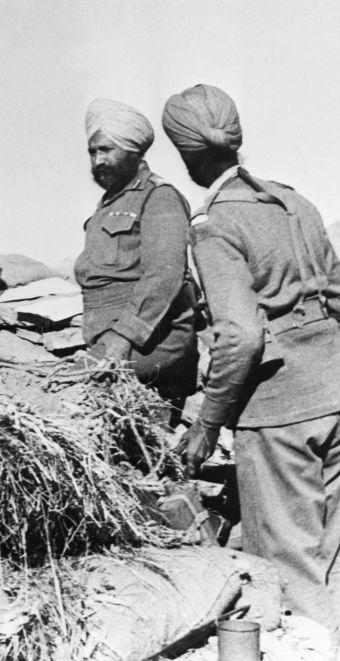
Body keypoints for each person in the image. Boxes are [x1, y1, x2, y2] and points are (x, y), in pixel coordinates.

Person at [166, 84, 340, 635]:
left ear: (187, 153)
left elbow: (240, 337)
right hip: (334, 391)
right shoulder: (296, 202)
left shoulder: (215, 223)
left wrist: (206, 422)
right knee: (332, 556)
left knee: (291, 577)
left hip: (279, 412)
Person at [74, 98, 198, 401]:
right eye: (93, 152)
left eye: (106, 150)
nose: (97, 161)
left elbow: (163, 276)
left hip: (152, 340)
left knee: (75, 391)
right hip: (109, 335)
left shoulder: (159, 197)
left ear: (134, 151)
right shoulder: (110, 203)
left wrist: (123, 336)